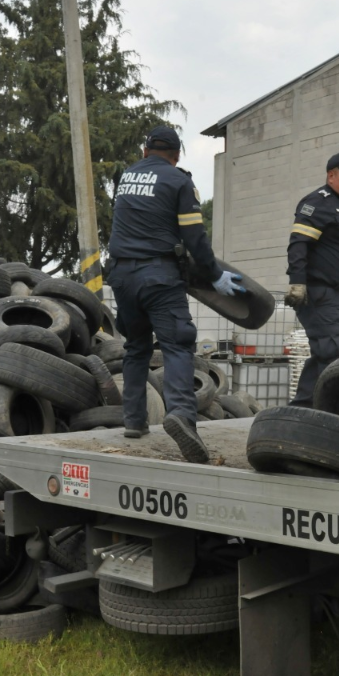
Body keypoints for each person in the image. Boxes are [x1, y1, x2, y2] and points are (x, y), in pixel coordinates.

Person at [106, 125, 245, 463]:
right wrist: (214, 276)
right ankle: (182, 415)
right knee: (178, 346)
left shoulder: (126, 178)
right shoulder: (179, 181)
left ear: (144, 151)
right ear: (177, 155)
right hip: (158, 276)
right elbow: (195, 237)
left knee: (136, 347)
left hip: (121, 275)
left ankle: (134, 422)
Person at [284, 152, 339, 406]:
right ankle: (333, 417)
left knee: (324, 355)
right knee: (333, 356)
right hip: (321, 295)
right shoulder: (318, 203)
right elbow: (298, 244)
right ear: (331, 175)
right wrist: (297, 283)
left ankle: (302, 413)